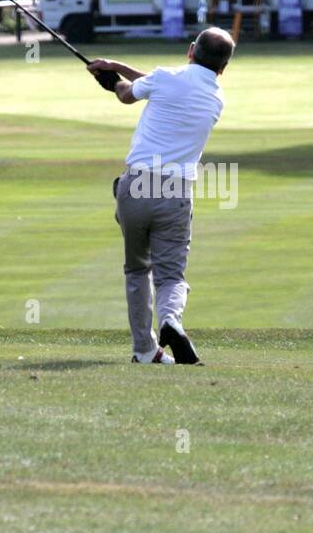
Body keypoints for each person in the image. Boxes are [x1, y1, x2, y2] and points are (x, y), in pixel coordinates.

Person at [86, 27, 234, 365]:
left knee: (137, 270)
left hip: (136, 186)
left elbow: (128, 94)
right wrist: (117, 67)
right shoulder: (216, 98)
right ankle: (171, 320)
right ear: (223, 67)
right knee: (171, 275)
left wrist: (111, 80)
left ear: (191, 49)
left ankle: (145, 350)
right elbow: (157, 84)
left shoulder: (166, 78)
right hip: (175, 192)